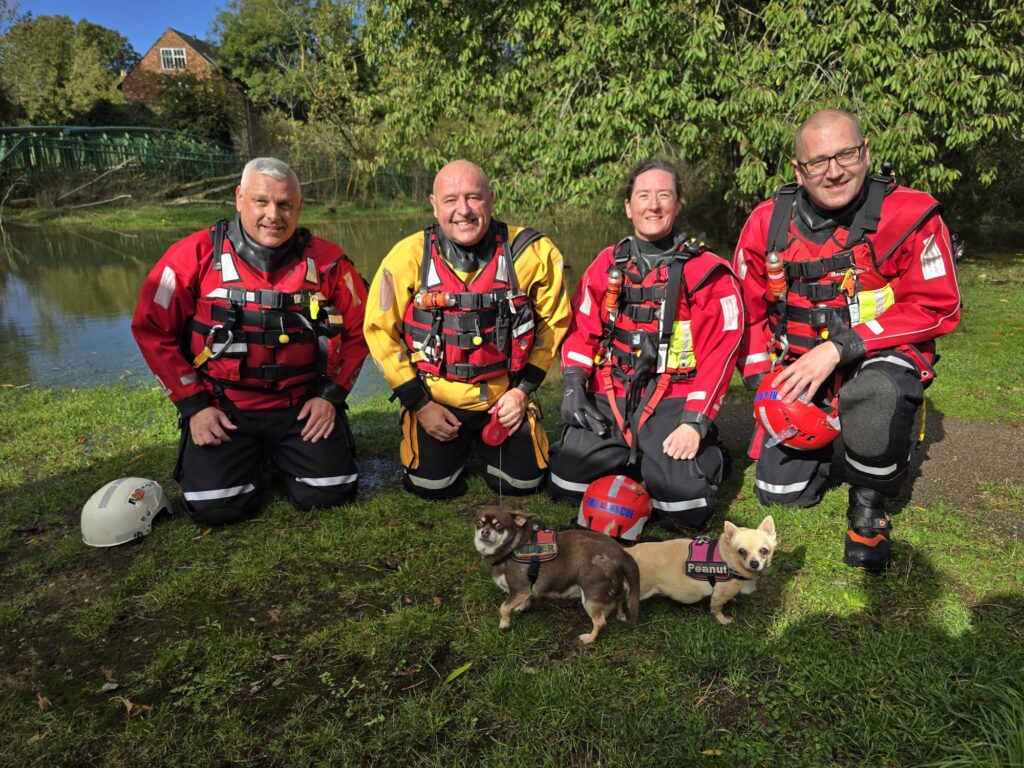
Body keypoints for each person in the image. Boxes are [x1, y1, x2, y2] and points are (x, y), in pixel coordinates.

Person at [732, 109, 962, 572]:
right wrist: (764, 382)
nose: (834, 171)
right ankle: (823, 444)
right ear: (799, 170)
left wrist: (841, 347)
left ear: (866, 152)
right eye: (818, 162)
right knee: (781, 495)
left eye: (846, 154)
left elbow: (939, 305)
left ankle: (868, 508)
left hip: (877, 358)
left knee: (878, 392)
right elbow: (747, 312)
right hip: (800, 368)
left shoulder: (910, 214)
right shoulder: (766, 222)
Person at [132, 157, 369, 526]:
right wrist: (194, 406)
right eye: (261, 201)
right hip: (223, 408)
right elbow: (151, 329)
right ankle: (250, 456)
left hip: (302, 406)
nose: (273, 215)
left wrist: (330, 397)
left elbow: (360, 329)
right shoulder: (191, 256)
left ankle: (284, 452)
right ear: (239, 198)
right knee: (216, 507)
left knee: (330, 492)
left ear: (299, 206)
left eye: (284, 204)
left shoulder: (329, 262)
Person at [547, 159, 744, 531]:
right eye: (643, 195)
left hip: (674, 396)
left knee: (684, 508)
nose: (653, 205)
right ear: (628, 205)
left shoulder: (708, 272)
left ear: (678, 204)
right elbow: (581, 330)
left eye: (664, 195)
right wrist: (573, 387)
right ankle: (629, 452)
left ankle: (708, 454)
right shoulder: (606, 264)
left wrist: (694, 422)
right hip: (613, 390)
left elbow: (722, 354)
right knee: (566, 484)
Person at [363, 159, 570, 498]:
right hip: (436, 400)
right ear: (433, 204)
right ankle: (426, 429)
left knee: (523, 484)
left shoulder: (533, 253)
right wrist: (420, 404)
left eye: (473, 197)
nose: (463, 210)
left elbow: (554, 323)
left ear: (490, 198)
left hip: (504, 396)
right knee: (431, 486)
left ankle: (511, 426)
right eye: (450, 200)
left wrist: (522, 392)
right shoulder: (406, 257)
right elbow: (378, 331)